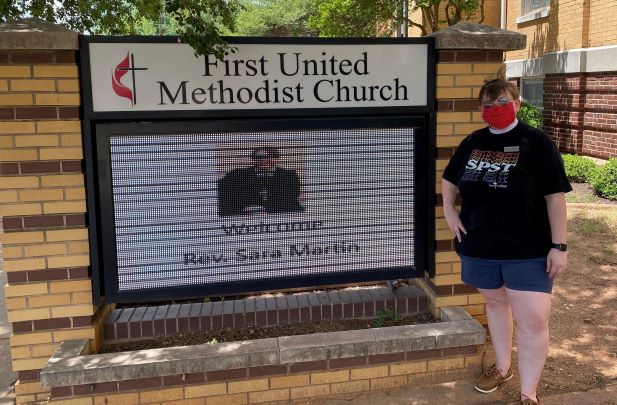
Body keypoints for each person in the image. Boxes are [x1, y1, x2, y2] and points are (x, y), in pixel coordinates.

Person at [441, 78, 571, 405]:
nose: (495, 110)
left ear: (517, 103)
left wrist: (559, 246)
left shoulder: (536, 142)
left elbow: (555, 198)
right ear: (480, 109)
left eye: (502, 103)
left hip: (527, 251)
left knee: (532, 320)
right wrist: (450, 214)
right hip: (481, 249)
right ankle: (502, 368)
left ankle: (529, 394)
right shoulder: (472, 142)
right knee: (496, 305)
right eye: (488, 105)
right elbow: (449, 179)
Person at [218, 146, 304, 217]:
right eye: (260, 157)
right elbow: (225, 197)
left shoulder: (289, 176)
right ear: (253, 159)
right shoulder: (236, 175)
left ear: (277, 158)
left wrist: (269, 211)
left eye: (270, 157)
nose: (264, 160)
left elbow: (291, 199)